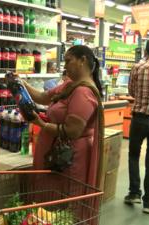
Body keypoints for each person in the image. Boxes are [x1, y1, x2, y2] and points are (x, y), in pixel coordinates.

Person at [20, 45, 104, 187]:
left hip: (68, 157)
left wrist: (41, 123)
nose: (65, 66)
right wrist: (21, 83)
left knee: (61, 197)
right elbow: (42, 97)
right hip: (58, 153)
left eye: (68, 61)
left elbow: (72, 131)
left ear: (82, 60)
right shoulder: (69, 85)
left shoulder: (83, 92)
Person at [125, 36, 149, 214]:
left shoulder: (137, 67)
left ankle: (134, 193)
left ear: (146, 50)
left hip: (138, 118)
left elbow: (131, 92)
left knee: (133, 156)